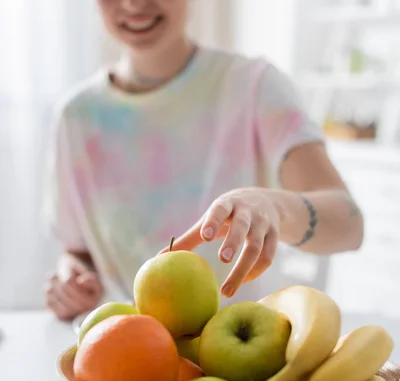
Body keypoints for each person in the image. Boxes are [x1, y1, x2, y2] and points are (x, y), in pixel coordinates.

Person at [45, 0, 364, 321]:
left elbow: (349, 224)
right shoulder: (75, 116)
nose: (134, 3)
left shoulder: (254, 85)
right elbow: (77, 249)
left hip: (248, 351)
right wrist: (71, 279)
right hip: (127, 348)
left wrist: (276, 208)